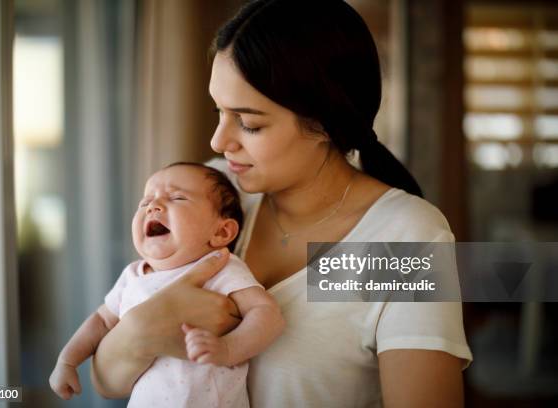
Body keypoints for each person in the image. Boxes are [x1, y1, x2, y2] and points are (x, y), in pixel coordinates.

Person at [91, 0, 473, 406]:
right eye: (218, 110)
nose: (218, 141)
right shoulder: (213, 194)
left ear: (326, 121)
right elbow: (107, 380)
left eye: (250, 123)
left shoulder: (405, 238)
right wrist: (141, 329)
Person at [49, 163, 284, 407]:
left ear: (222, 232)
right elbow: (101, 321)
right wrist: (67, 360)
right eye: (145, 202)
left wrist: (227, 348)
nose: (153, 206)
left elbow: (267, 314)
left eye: (177, 197)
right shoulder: (133, 275)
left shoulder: (221, 267)